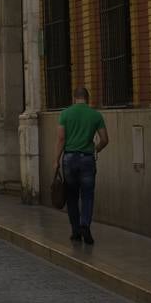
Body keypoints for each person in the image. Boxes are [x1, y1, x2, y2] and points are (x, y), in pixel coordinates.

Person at [55, 86, 108, 245]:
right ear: (87, 98)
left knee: (71, 196)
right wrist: (95, 149)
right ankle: (85, 225)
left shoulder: (65, 114)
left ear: (74, 98)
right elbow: (105, 139)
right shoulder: (95, 115)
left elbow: (61, 139)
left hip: (69, 159)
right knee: (87, 195)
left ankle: (75, 231)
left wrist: (55, 160)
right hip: (87, 159)